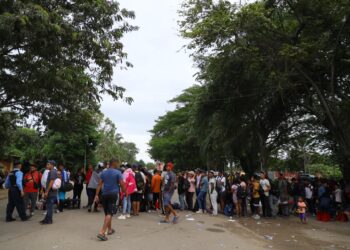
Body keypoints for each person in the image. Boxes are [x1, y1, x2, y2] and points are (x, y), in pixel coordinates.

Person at [95, 159, 126, 241]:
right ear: (114, 163)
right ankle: (102, 232)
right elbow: (122, 184)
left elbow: (99, 184)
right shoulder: (118, 173)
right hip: (113, 194)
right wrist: (125, 192)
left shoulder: (104, 172)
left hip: (104, 194)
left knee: (108, 213)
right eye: (117, 163)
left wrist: (96, 195)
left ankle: (110, 230)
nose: (118, 165)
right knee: (110, 213)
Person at [40, 160, 58, 224]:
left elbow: (51, 182)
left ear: (52, 165)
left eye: (48, 164)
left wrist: (47, 191)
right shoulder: (52, 171)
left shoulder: (52, 171)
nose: (47, 165)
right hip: (51, 192)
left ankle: (49, 220)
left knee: (49, 207)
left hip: (51, 192)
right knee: (48, 206)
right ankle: (46, 219)